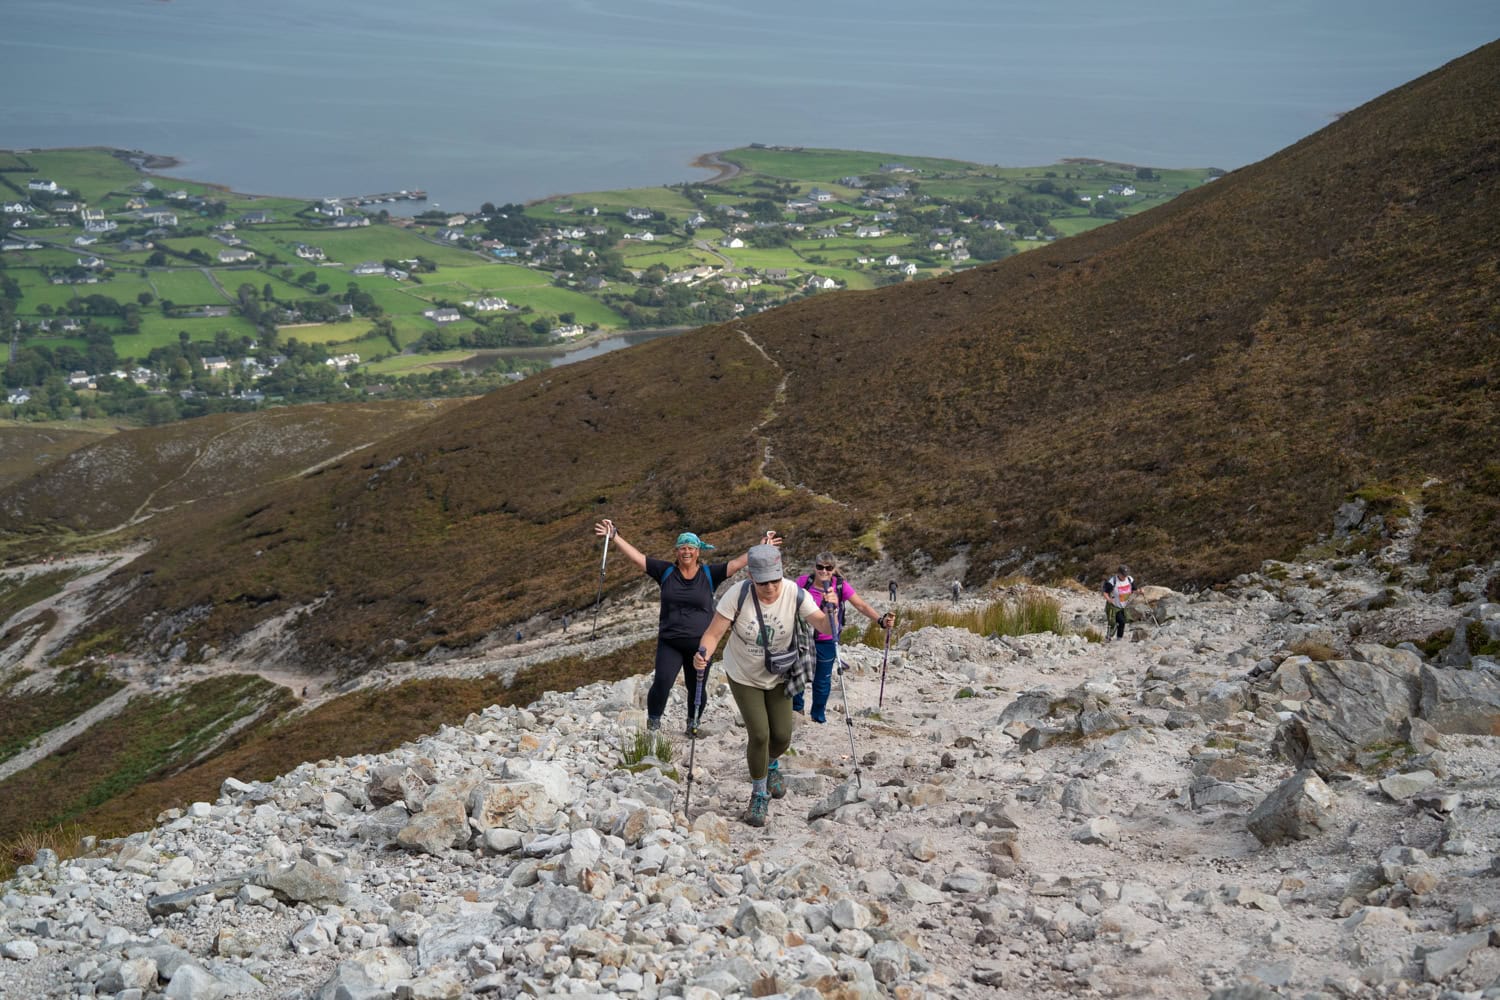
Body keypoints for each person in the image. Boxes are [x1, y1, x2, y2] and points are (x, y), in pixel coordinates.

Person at [594, 518, 777, 734]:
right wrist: (615, 536)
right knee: (662, 682)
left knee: (696, 687)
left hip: (702, 644)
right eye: (682, 548)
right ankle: (654, 723)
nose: (686, 551)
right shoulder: (665, 571)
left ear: (698, 551)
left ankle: (693, 724)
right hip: (670, 642)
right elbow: (638, 558)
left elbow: (737, 563)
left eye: (690, 548)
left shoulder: (709, 574)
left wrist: (760, 549)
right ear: (677, 551)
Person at [694, 544, 832, 827]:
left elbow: (825, 627)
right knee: (759, 734)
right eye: (763, 582)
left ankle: (769, 764)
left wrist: (832, 610)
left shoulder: (795, 593)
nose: (770, 588)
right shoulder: (737, 595)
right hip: (743, 673)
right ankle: (759, 794)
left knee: (781, 736)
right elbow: (713, 634)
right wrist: (703, 655)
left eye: (775, 581)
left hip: (780, 673)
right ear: (751, 577)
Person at [793, 552, 893, 723]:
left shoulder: (840, 586)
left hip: (826, 639)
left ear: (833, 569)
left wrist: (880, 621)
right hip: (803, 637)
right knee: (798, 675)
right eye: (820, 567)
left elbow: (861, 605)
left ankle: (818, 717)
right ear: (814, 567)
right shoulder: (803, 582)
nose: (824, 571)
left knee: (822, 681)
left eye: (828, 568)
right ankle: (796, 713)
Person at [1102, 564, 1134, 641]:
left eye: (1126, 575)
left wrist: (1140, 591)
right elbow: (1105, 593)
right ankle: (1109, 637)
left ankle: (1119, 638)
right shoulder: (1112, 581)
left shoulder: (1129, 579)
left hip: (1123, 606)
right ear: (1119, 573)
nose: (1125, 577)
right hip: (1113, 606)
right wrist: (1109, 599)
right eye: (1123, 575)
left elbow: (1134, 589)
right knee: (1112, 623)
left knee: (1122, 622)